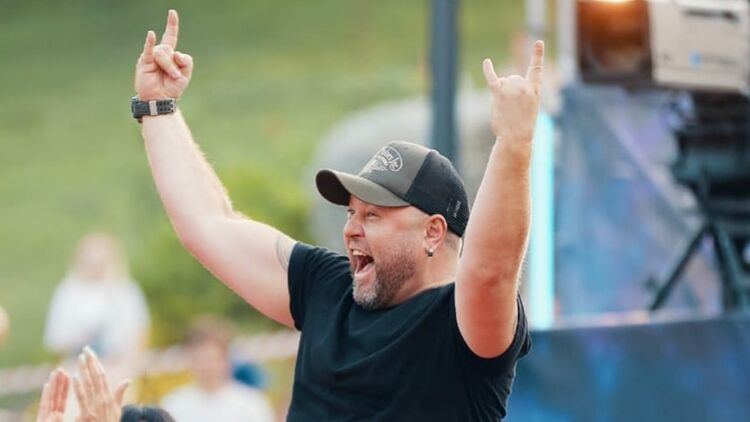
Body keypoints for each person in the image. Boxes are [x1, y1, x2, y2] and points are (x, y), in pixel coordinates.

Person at [133, 9, 541, 420]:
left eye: (373, 215)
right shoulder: (326, 288)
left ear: (433, 232)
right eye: (350, 213)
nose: (351, 229)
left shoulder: (459, 324)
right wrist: (157, 106)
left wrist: (514, 144)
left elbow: (490, 273)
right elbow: (209, 225)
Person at [43, 232, 150, 381]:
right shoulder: (68, 292)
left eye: (101, 262)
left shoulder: (126, 291)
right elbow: (55, 340)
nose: (96, 268)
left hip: (117, 372)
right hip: (77, 372)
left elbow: (138, 335)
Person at [160, 317, 276, 422]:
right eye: (199, 360)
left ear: (226, 359)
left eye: (212, 359)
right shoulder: (173, 405)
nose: (206, 367)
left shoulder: (252, 404)